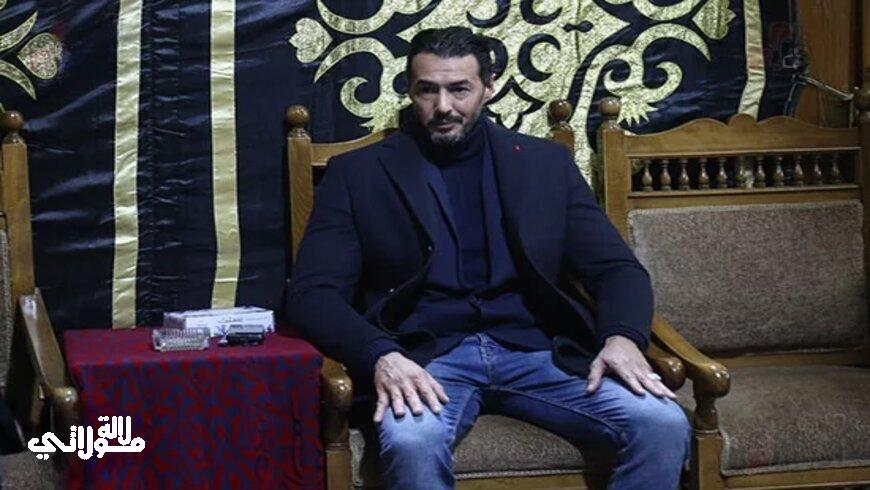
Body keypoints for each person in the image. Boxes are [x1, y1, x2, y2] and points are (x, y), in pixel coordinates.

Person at [286, 26, 690, 489]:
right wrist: (380, 355)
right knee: (413, 442)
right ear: (409, 90)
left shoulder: (544, 164)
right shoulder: (359, 173)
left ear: (488, 88)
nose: (443, 106)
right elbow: (312, 293)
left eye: (459, 89)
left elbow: (615, 269)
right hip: (425, 357)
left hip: (539, 351)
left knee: (662, 423)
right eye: (427, 90)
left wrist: (622, 337)